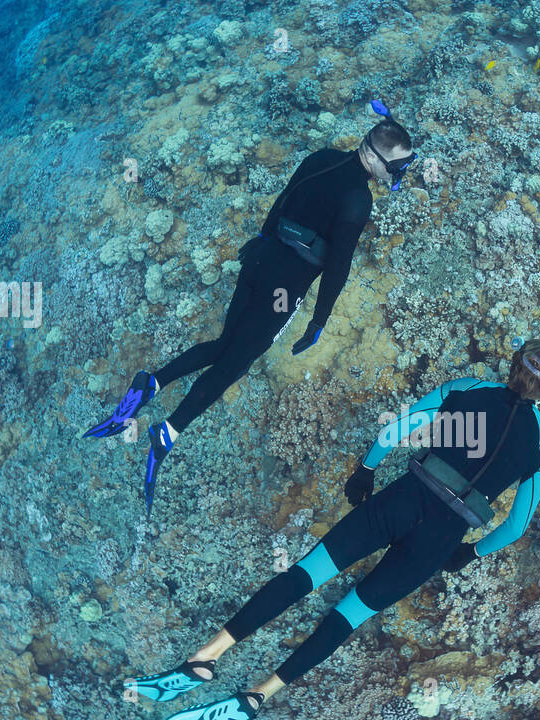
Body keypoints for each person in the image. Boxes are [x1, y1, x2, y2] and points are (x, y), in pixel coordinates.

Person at [127, 340, 540, 720]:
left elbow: (399, 427)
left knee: (301, 576)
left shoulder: (469, 389)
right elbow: (515, 527)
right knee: (347, 617)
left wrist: (365, 471)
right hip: (439, 542)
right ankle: (258, 695)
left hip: (399, 503)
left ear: (513, 364)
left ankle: (206, 657)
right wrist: (469, 554)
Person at [83, 101, 417, 516]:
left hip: (258, 262)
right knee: (235, 364)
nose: (398, 175)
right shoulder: (357, 200)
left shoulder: (323, 157)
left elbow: (283, 201)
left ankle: (150, 383)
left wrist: (260, 239)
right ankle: (166, 433)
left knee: (225, 345)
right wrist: (319, 319)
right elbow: (338, 266)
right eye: (399, 167)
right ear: (379, 158)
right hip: (285, 286)